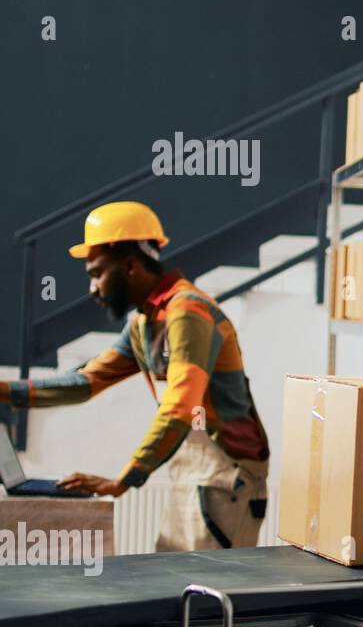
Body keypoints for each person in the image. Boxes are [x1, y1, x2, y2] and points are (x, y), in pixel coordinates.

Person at [0, 201, 271, 551]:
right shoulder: (146, 322)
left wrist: (123, 480)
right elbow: (86, 382)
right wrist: (5, 391)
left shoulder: (187, 312)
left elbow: (180, 408)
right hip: (195, 473)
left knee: (206, 598)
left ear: (128, 266)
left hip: (227, 477)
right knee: (176, 592)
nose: (93, 289)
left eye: (97, 273)